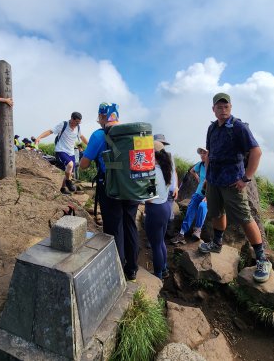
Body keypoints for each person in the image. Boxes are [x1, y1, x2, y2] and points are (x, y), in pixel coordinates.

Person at [199, 93, 272, 283]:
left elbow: (256, 151)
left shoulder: (238, 127)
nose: (222, 110)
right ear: (213, 109)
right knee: (216, 212)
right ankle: (216, 243)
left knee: (245, 217)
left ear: (230, 107)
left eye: (226, 107)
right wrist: (207, 175)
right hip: (214, 180)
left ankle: (262, 259)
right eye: (219, 107)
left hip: (232, 181)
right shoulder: (212, 128)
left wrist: (246, 178)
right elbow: (210, 153)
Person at [79, 102, 139, 281]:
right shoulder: (132, 134)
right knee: (130, 225)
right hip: (132, 187)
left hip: (111, 188)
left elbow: (84, 164)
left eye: (99, 117)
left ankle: (117, 268)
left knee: (114, 228)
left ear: (103, 117)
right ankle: (132, 269)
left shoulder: (99, 135)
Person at [36, 112, 89, 194]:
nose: (77, 124)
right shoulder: (63, 124)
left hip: (71, 152)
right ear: (72, 119)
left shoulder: (78, 127)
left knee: (69, 171)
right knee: (70, 165)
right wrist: (39, 137)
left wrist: (89, 144)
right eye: (76, 122)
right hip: (61, 150)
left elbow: (81, 136)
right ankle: (68, 182)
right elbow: (50, 131)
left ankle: (63, 188)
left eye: (79, 122)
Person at [145, 141, 173, 280]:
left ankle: (158, 275)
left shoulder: (151, 171)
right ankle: (164, 268)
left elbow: (149, 198)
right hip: (165, 206)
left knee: (156, 245)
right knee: (160, 241)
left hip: (155, 209)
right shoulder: (167, 168)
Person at [171, 147, 209, 244]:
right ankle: (182, 233)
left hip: (208, 196)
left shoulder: (214, 167)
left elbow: (217, 183)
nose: (201, 155)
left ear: (209, 154)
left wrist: (209, 196)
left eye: (204, 153)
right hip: (197, 193)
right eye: (201, 153)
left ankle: (197, 229)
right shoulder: (200, 165)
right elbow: (192, 171)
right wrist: (198, 178)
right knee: (190, 211)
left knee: (202, 206)